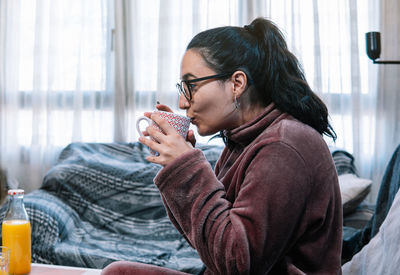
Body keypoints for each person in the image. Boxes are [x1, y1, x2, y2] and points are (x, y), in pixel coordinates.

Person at [102, 17, 342, 275]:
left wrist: (187, 169)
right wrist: (181, 168)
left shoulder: (284, 145)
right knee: (119, 272)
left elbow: (237, 263)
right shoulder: (242, 140)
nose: (182, 102)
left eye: (191, 86)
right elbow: (209, 243)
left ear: (237, 84)